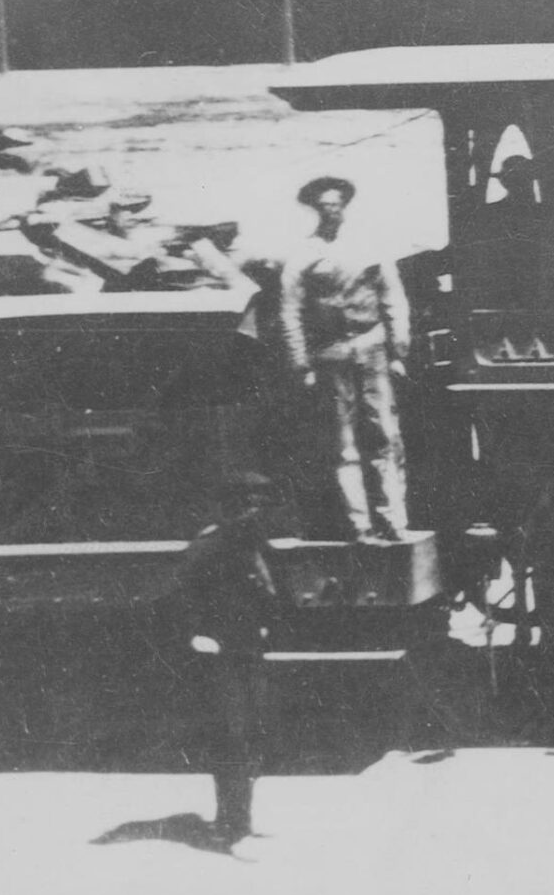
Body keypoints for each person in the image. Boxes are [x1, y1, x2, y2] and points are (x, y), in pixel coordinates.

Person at [272, 175, 411, 543]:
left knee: (385, 435)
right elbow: (290, 312)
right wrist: (301, 365)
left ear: (345, 206)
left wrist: (399, 350)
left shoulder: (370, 247)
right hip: (329, 355)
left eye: (336, 204)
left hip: (372, 349)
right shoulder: (302, 255)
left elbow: (392, 297)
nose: (331, 210)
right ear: (315, 209)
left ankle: (393, 519)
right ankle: (359, 525)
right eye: (324, 206)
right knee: (343, 443)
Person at [176, 470, 281, 848]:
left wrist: (267, 625)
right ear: (233, 507)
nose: (255, 512)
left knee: (253, 731)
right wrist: (197, 633)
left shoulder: (251, 543)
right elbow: (185, 594)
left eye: (259, 505)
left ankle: (241, 819)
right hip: (219, 649)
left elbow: (264, 588)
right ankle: (230, 821)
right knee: (231, 734)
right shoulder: (208, 546)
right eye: (248, 504)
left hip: (249, 645)